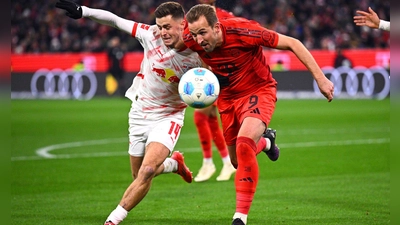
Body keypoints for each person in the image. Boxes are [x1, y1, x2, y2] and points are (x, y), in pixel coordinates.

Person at [184, 4, 334, 225]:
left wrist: (321, 79)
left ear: (216, 27)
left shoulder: (244, 31)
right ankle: (266, 142)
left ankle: (240, 217)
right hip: (227, 98)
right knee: (237, 161)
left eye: (203, 33)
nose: (198, 40)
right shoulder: (190, 37)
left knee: (245, 143)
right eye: (194, 34)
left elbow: (293, 43)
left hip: (257, 90)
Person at [56, 1, 203, 225]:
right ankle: (174, 164)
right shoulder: (150, 35)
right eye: (159, 26)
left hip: (169, 115)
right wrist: (83, 11)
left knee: (147, 170)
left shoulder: (198, 53)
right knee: (139, 176)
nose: (162, 32)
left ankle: (113, 220)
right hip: (139, 112)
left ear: (182, 24)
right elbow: (115, 21)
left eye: (167, 27)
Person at [192, 0, 236, 183]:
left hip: (226, 75)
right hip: (209, 75)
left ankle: (210, 162)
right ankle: (225, 161)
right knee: (208, 117)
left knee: (201, 116)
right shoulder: (194, 18)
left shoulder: (226, 17)